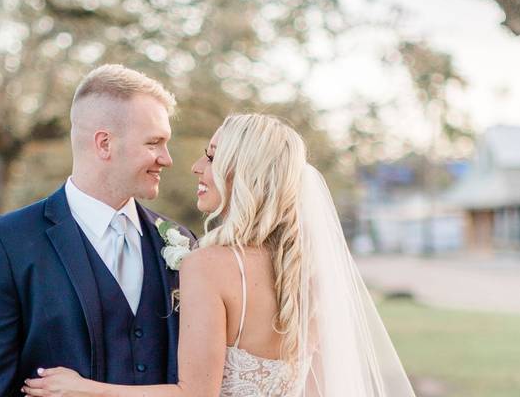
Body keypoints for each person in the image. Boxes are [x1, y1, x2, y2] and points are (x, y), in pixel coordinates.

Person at [25, 113, 417, 397]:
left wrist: (84, 389)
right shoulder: (308, 271)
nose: (196, 167)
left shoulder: (209, 266)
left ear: (241, 171)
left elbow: (195, 395)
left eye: (211, 157)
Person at [0, 64, 195, 396]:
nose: (166, 158)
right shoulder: (7, 244)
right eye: (154, 143)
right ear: (104, 144)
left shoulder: (181, 243)